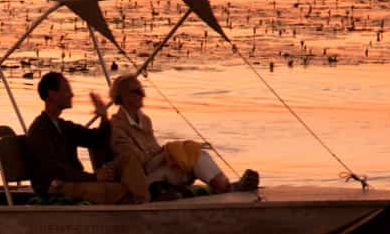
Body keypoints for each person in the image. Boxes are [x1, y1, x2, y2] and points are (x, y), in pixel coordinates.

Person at [109, 73, 258, 201]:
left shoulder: (145, 120)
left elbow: (154, 150)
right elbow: (135, 163)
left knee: (195, 153)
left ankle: (226, 186)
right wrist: (165, 153)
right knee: (187, 155)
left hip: (158, 169)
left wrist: (171, 154)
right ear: (122, 96)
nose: (143, 94)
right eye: (137, 91)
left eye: (142, 89)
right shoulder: (117, 126)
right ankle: (228, 188)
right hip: (142, 179)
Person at [24, 72, 130, 204]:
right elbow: (56, 170)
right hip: (54, 187)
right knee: (117, 191)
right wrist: (94, 177)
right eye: (66, 89)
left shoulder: (64, 126)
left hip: (72, 182)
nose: (71, 94)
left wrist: (104, 116)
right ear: (52, 94)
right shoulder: (39, 129)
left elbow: (97, 139)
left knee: (123, 180)